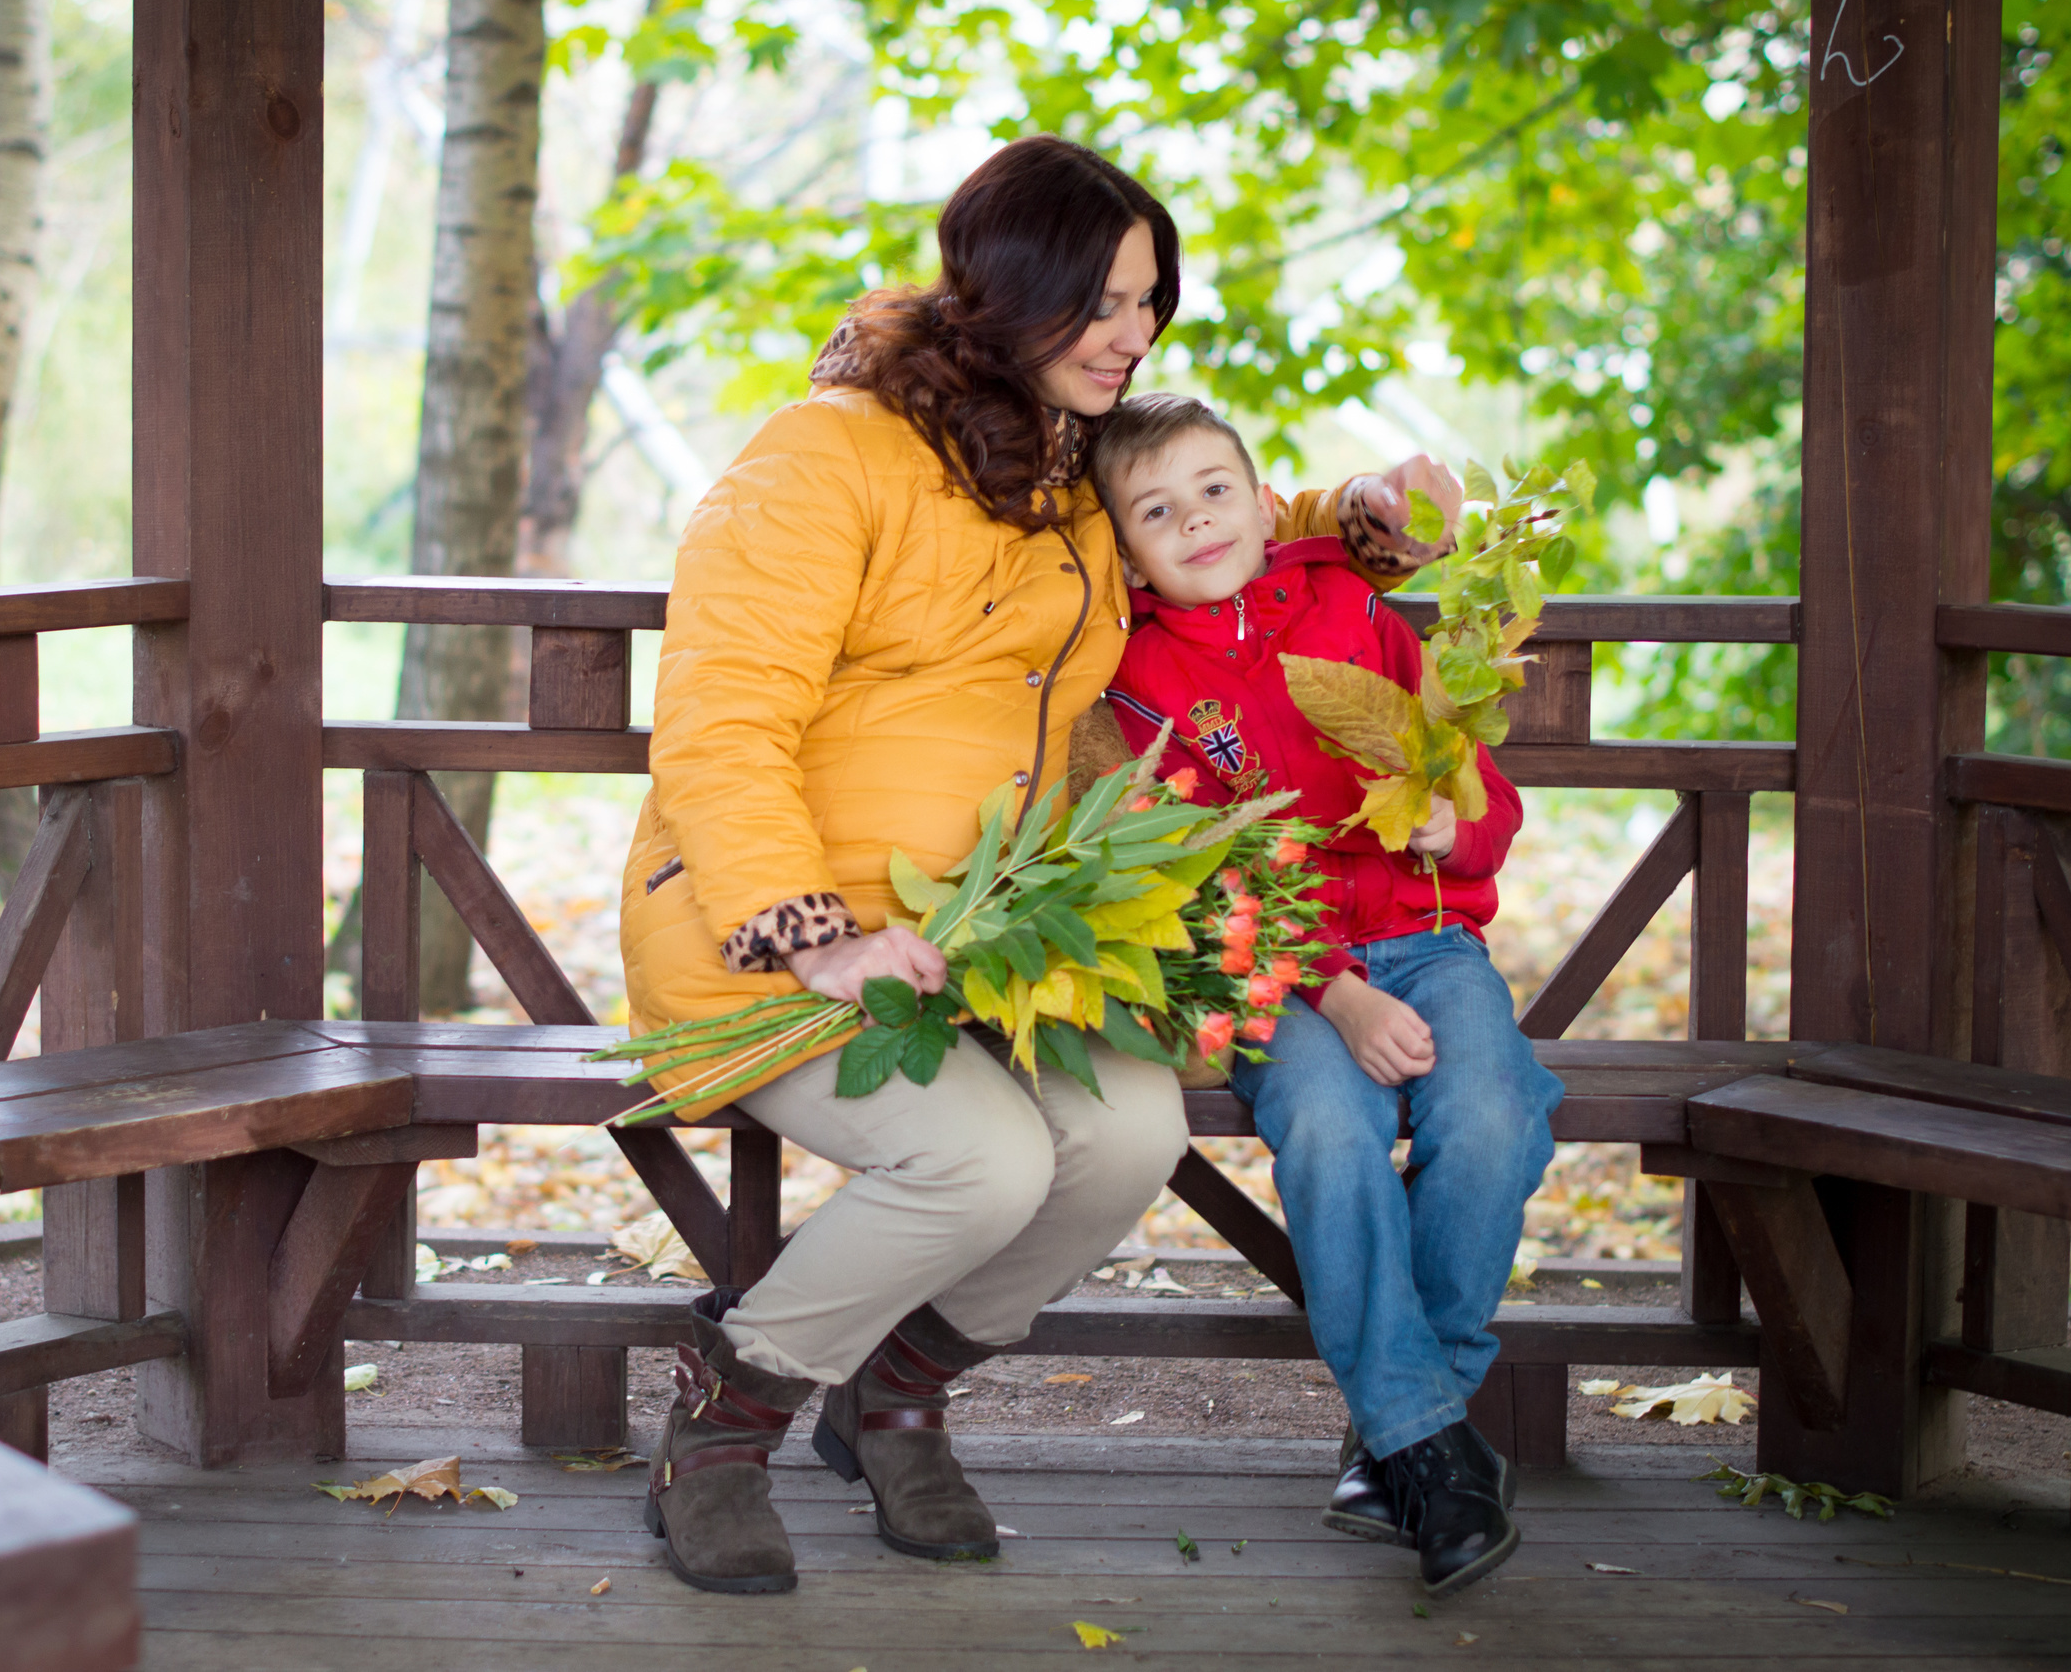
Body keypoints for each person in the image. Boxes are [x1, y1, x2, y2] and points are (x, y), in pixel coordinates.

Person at [616, 137, 1450, 1598]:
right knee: (979, 1157)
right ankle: (727, 1421)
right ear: (1008, 293)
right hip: (775, 937)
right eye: (1107, 300)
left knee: (1127, 1137)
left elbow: (1217, 518)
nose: (1137, 333)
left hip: (1001, 929)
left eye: (1150, 301)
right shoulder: (825, 454)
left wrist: (1360, 516)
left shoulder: (1069, 472)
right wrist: (816, 932)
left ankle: (894, 1393)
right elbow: (719, 714)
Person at [1086, 391, 1563, 1597]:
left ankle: (1405, 1432)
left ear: (1259, 496)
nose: (1195, 521)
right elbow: (1204, 873)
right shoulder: (1135, 674)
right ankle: (1432, 1449)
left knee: (1495, 1109)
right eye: (1155, 510)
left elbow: (1476, 788)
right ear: (1124, 546)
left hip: (1430, 935)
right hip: (1278, 977)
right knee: (1335, 1127)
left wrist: (1461, 830)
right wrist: (1338, 995)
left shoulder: (1349, 606)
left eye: (1214, 490)